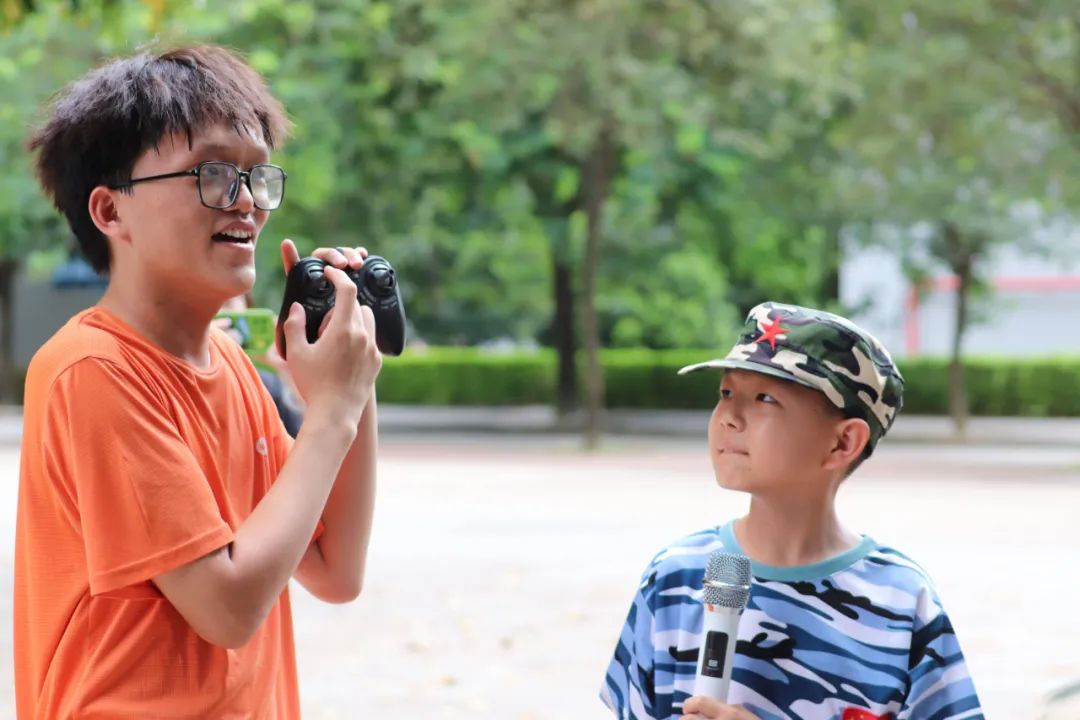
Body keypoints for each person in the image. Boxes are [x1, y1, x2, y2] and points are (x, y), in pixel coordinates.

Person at [15, 45, 382, 718]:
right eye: (212, 173)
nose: (245, 202)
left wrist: (354, 376)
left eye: (256, 175)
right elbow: (228, 606)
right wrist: (332, 410)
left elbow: (336, 570)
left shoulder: (230, 367)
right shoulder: (94, 369)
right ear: (111, 211)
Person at [601, 302, 983, 720]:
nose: (729, 417)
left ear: (842, 443)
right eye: (726, 393)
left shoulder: (902, 600)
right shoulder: (675, 577)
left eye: (764, 398)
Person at [218, 292, 305, 437]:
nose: (220, 313)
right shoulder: (178, 387)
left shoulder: (267, 386)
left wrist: (291, 374)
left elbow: (305, 437)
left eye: (227, 303)